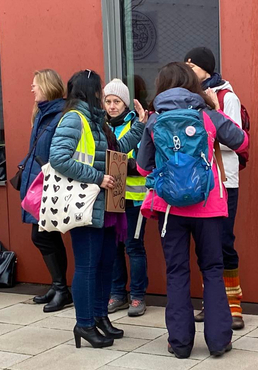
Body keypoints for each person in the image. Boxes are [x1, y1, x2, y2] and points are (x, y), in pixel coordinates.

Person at [136, 62, 249, 359]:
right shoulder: (207, 115)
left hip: (170, 210)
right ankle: (218, 340)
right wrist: (215, 108)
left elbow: (142, 166)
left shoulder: (154, 120)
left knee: (176, 272)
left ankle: (181, 343)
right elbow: (242, 140)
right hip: (209, 206)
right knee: (212, 269)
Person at [48, 70, 124, 349]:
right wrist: (97, 177)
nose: (103, 96)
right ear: (91, 92)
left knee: (104, 264)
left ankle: (99, 317)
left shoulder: (96, 121)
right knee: (88, 266)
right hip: (84, 204)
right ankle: (84, 323)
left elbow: (113, 153)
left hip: (101, 206)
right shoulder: (74, 118)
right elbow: (58, 158)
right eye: (100, 91)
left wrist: (139, 126)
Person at [184, 47, 247, 330]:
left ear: (207, 69)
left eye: (192, 64)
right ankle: (212, 302)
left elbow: (234, 137)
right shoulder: (189, 98)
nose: (188, 68)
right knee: (207, 243)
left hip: (224, 180)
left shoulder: (225, 95)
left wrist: (216, 111)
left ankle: (233, 306)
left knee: (224, 240)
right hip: (201, 180)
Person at [20, 69, 71, 313]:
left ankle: (62, 289)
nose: (32, 89)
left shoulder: (59, 115)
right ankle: (57, 285)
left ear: (48, 87)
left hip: (49, 184)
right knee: (45, 235)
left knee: (43, 236)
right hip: (38, 182)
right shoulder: (42, 113)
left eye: (35, 85)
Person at [103, 78, 150, 317]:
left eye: (117, 101)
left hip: (134, 198)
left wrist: (123, 164)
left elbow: (143, 161)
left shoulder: (138, 125)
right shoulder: (102, 126)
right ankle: (117, 294)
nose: (112, 106)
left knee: (133, 246)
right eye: (108, 101)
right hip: (111, 197)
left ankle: (138, 296)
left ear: (126, 104)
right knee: (113, 247)